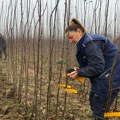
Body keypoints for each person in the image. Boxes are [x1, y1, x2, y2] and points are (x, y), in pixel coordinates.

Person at [65, 18, 120, 120]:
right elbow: (94, 62)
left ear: (79, 31)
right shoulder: (85, 43)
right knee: (94, 102)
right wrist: (78, 69)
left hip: (110, 79)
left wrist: (79, 73)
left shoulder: (90, 43)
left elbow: (97, 67)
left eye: (71, 37)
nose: (70, 41)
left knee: (99, 110)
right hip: (103, 78)